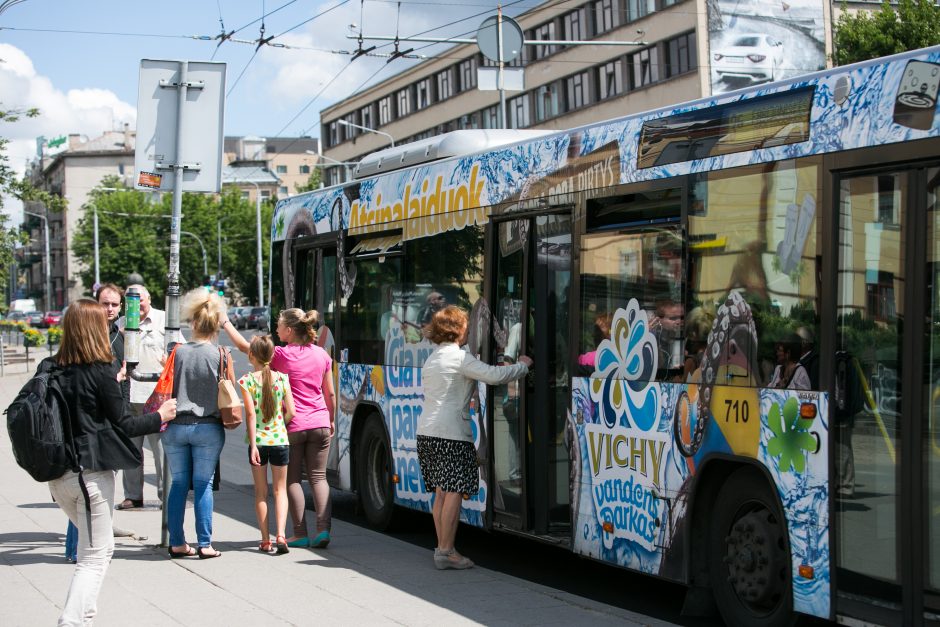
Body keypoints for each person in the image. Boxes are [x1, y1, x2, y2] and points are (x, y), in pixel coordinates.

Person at [46, 299, 176, 625]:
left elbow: (77, 405)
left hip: (57, 475)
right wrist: (160, 416)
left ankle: (84, 619)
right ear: (95, 329)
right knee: (95, 557)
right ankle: (72, 621)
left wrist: (112, 383)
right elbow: (126, 425)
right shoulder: (99, 372)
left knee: (97, 551)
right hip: (89, 476)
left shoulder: (50, 367)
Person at [418, 305, 532, 569]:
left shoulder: (432, 358)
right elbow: (494, 376)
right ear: (459, 329)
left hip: (426, 433)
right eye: (466, 325)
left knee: (441, 492)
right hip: (452, 435)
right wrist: (522, 366)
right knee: (455, 491)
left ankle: (441, 547)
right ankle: (446, 552)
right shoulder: (459, 358)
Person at [222, 308, 335, 549]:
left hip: (293, 426)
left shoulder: (282, 355)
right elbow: (330, 393)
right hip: (321, 422)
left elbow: (248, 348)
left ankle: (299, 532)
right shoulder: (322, 355)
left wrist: (226, 324)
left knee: (292, 480)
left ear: (290, 331)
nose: (276, 330)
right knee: (318, 477)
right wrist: (331, 419)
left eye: (279, 326)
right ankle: (323, 529)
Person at [163, 289, 232, 559]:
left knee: (179, 484)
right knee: (203, 484)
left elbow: (166, 385)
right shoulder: (220, 355)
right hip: (208, 427)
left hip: (176, 426)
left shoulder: (176, 352)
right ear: (216, 326)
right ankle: (205, 544)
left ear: (192, 323)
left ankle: (177, 542)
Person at [238, 335, 296, 554]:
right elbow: (292, 411)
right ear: (272, 355)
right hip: (281, 440)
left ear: (251, 355)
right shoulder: (282, 379)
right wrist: (280, 425)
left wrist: (253, 444)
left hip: (259, 443)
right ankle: (281, 534)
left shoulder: (247, 381)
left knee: (261, 493)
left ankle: (265, 539)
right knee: (280, 491)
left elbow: (251, 415)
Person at [116, 283, 165, 510]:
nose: (136, 306)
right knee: (131, 450)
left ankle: (166, 494)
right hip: (130, 395)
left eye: (139, 300)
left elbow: (179, 351)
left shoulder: (164, 320)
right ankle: (133, 495)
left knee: (161, 451)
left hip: (156, 396)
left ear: (149, 299)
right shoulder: (121, 324)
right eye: (130, 301)